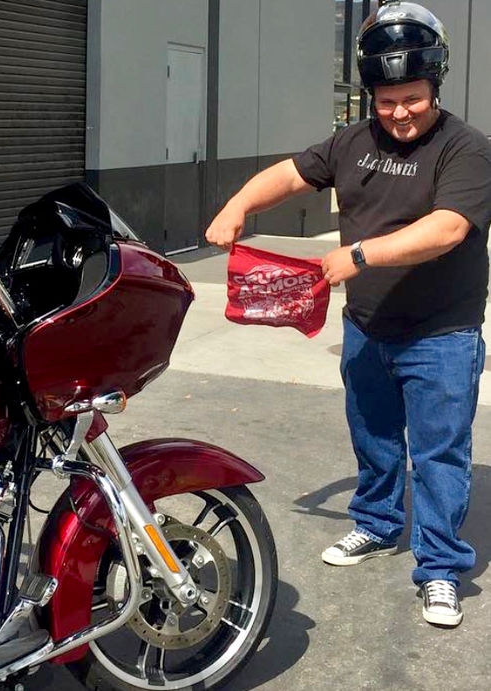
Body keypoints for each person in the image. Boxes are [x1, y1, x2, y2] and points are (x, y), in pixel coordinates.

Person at [205, 1, 491, 627]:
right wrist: (237, 205)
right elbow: (291, 173)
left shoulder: (467, 149)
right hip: (366, 327)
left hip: (441, 333)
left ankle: (440, 569)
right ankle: (378, 523)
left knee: (439, 454)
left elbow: (447, 228)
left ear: (435, 85)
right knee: (374, 437)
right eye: (387, 101)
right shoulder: (353, 142)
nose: (400, 113)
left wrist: (360, 254)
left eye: (412, 99)